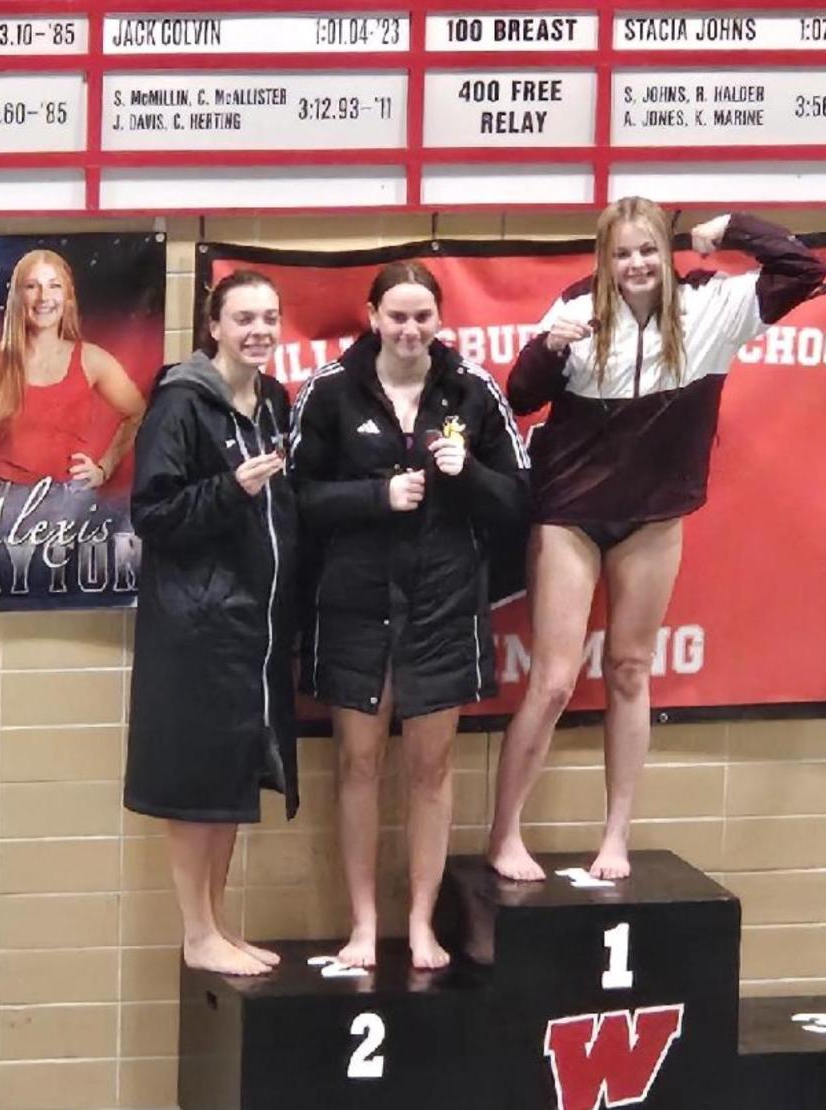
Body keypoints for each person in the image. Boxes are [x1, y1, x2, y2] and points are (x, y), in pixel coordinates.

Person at [488, 200, 826, 882]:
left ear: (666, 254)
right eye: (622, 254)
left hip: (654, 515)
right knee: (553, 681)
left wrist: (731, 230)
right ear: (604, 259)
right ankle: (505, 835)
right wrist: (549, 345)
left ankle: (616, 836)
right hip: (572, 513)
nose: (636, 265)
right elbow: (522, 397)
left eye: (648, 250)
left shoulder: (714, 305)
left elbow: (804, 268)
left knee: (630, 670)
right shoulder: (579, 307)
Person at [290, 261, 529, 969]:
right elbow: (296, 496)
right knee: (359, 763)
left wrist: (470, 476)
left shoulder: (471, 389)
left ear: (440, 321)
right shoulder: (330, 392)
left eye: (422, 316)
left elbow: (518, 502)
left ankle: (421, 922)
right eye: (397, 315)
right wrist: (375, 496)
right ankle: (364, 924)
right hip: (357, 602)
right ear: (372, 316)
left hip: (443, 599)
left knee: (430, 768)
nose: (409, 329)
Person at [124, 269, 297, 977]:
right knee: (195, 788)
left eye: (270, 318)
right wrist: (231, 490)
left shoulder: (273, 400)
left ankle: (218, 924)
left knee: (229, 782)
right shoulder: (181, 406)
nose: (259, 330)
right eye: (244, 318)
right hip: (196, 626)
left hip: (250, 628)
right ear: (214, 328)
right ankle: (196, 930)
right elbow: (154, 514)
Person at [0, 249, 145, 508]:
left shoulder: (92, 360)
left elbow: (138, 412)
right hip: (10, 501)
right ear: (17, 297)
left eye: (54, 286)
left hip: (72, 502)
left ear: (68, 297)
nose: (44, 297)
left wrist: (104, 468)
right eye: (32, 286)